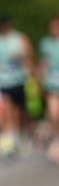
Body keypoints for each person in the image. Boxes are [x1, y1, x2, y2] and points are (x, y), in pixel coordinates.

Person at [0, 17, 34, 157]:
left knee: (18, 111)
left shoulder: (19, 38)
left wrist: (22, 56)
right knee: (5, 110)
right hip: (2, 80)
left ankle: (19, 134)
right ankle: (9, 138)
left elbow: (29, 53)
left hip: (18, 79)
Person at [38, 16, 59, 162]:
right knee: (54, 113)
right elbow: (43, 63)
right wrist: (40, 79)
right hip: (52, 84)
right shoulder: (45, 44)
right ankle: (56, 139)